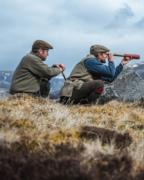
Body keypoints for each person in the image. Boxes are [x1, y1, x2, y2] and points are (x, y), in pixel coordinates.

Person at [60, 44, 130, 104]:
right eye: (105, 54)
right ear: (99, 54)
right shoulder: (91, 61)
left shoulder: (94, 64)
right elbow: (110, 73)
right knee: (99, 84)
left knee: (99, 83)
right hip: (71, 92)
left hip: (75, 90)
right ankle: (85, 104)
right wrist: (111, 61)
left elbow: (110, 78)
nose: (107, 56)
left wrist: (122, 64)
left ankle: (83, 103)